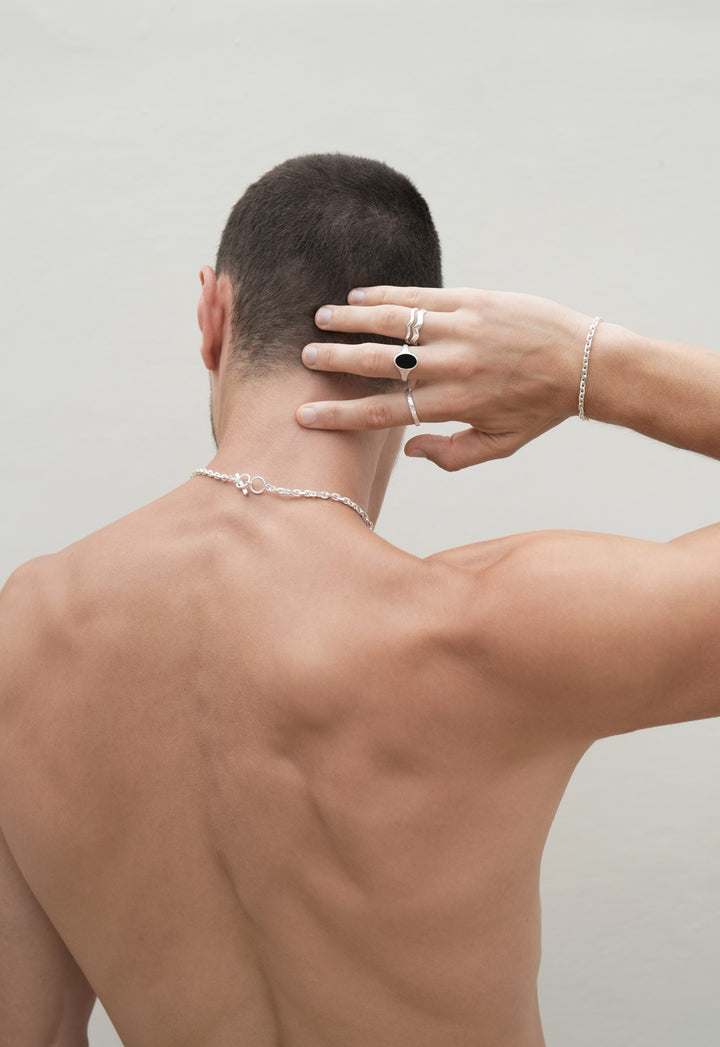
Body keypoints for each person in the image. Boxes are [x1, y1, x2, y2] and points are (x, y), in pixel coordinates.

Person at [0, 153, 718, 1047]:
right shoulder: (489, 628)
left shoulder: (22, 634)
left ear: (212, 314)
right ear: (416, 363)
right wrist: (591, 365)